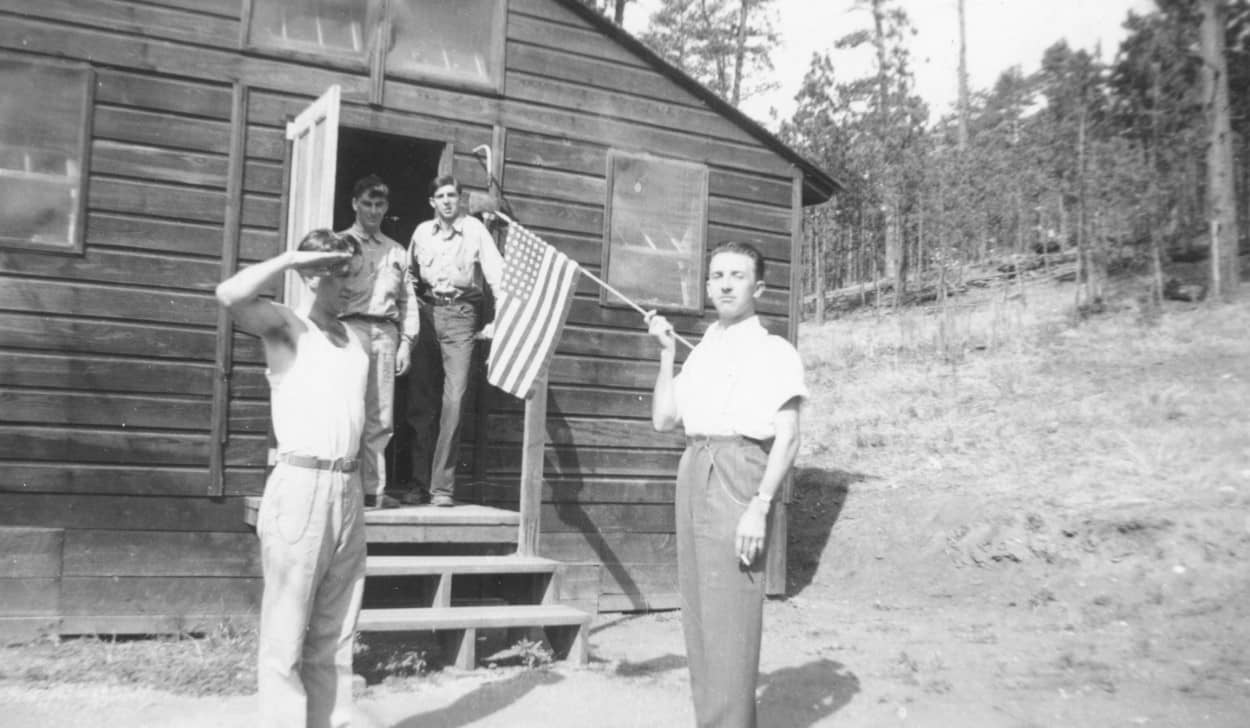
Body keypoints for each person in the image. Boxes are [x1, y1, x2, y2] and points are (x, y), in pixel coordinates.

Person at [646, 241, 807, 728]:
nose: (725, 284)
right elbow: (663, 418)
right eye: (717, 275)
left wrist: (760, 506)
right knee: (698, 615)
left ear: (757, 287)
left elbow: (790, 436)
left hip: (739, 473)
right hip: (694, 467)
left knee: (731, 616)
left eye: (737, 275)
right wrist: (668, 354)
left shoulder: (774, 351)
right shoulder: (703, 350)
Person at [215, 230, 368, 728]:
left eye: (351, 271)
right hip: (300, 488)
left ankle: (332, 721)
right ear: (309, 274)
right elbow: (229, 295)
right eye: (335, 271)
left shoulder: (357, 342)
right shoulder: (287, 328)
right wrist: (290, 258)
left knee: (337, 632)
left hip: (348, 489)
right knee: (286, 634)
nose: (346, 282)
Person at [404, 175, 503, 507]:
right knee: (422, 402)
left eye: (452, 195)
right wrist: (412, 312)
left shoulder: (475, 230)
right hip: (428, 314)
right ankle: (419, 483)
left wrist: (498, 319)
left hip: (462, 316)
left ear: (460, 200)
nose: (447, 201)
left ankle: (442, 488)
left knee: (455, 401)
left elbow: (497, 276)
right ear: (432, 201)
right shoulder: (420, 233)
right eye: (440, 196)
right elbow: (407, 277)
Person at [337, 174, 419, 509]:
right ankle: (342, 491)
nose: (373, 211)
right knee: (346, 410)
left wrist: (406, 343)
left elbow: (407, 301)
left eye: (379, 205)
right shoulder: (339, 243)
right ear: (355, 204)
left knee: (381, 417)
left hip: (386, 334)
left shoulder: (396, 251)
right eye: (367, 204)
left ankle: (373, 494)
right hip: (349, 329)